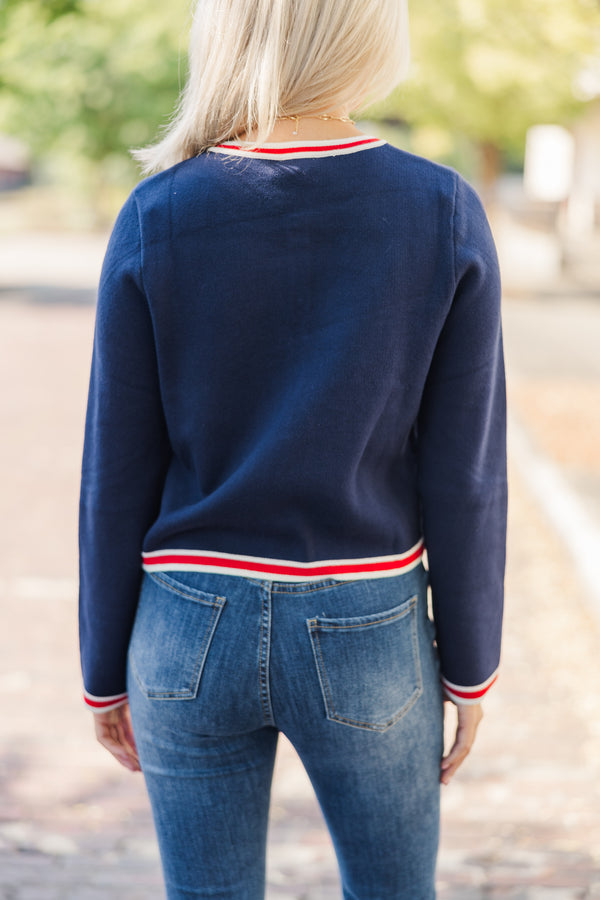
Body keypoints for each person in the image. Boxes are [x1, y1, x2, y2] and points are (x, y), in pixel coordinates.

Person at [79, 0, 507, 897]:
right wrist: (471, 663)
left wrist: (101, 665)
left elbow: (115, 469)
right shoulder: (441, 209)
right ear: (367, 35)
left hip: (186, 621)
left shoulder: (158, 212)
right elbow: (463, 475)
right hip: (366, 617)